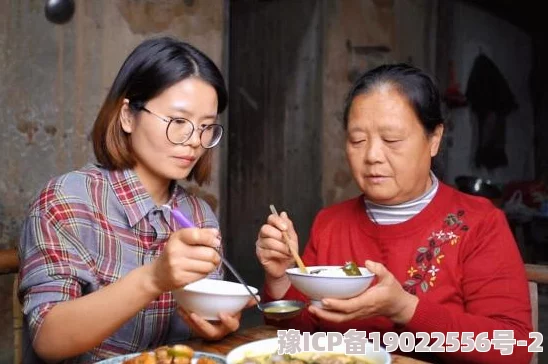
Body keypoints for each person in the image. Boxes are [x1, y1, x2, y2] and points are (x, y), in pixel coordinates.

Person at [256, 64, 533, 363]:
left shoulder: (479, 224)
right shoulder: (331, 223)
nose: (372, 155)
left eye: (392, 140)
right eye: (357, 141)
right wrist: (281, 279)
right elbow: (296, 341)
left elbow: (514, 347)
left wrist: (405, 309)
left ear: (434, 139)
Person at [18, 36, 252, 363]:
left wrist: (216, 327)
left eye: (206, 127)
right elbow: (47, 338)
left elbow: (198, 331)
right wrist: (154, 278)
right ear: (128, 116)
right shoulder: (65, 203)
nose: (193, 142)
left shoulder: (198, 216)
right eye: (178, 122)